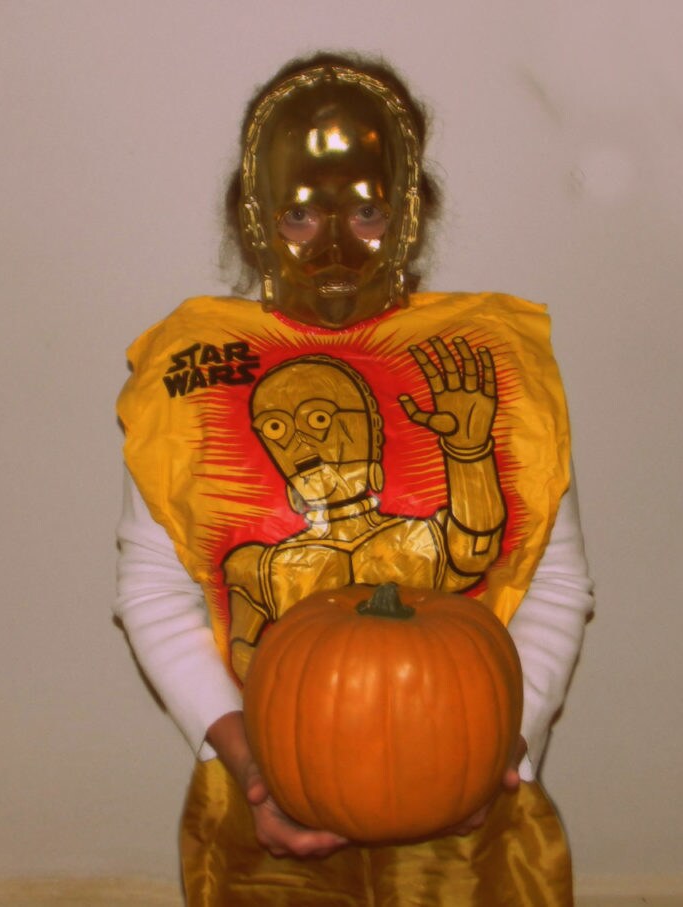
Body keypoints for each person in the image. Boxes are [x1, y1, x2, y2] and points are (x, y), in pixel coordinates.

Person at [115, 52, 594, 906]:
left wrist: (501, 745)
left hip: (474, 806)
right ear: (253, 215)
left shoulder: (487, 360)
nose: (335, 245)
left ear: (412, 209)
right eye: (301, 217)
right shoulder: (195, 371)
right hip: (265, 797)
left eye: (368, 209)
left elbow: (551, 583)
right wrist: (249, 761)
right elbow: (153, 593)